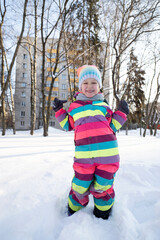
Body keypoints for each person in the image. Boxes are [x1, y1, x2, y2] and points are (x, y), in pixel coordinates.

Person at [53, 65, 129, 219]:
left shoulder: (104, 106)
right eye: (85, 83)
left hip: (108, 157)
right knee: (80, 185)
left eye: (93, 82)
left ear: (99, 86)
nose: (89, 87)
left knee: (103, 186)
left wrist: (121, 112)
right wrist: (59, 110)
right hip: (84, 158)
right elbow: (67, 124)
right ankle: (74, 209)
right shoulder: (75, 107)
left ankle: (102, 212)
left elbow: (113, 125)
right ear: (80, 87)